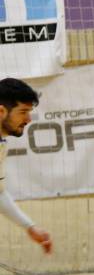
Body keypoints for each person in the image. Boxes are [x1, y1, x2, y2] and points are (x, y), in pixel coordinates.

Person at [0, 78, 52, 254]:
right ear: (1, 111)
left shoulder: (1, 144)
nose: (28, 119)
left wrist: (29, 226)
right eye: (23, 112)